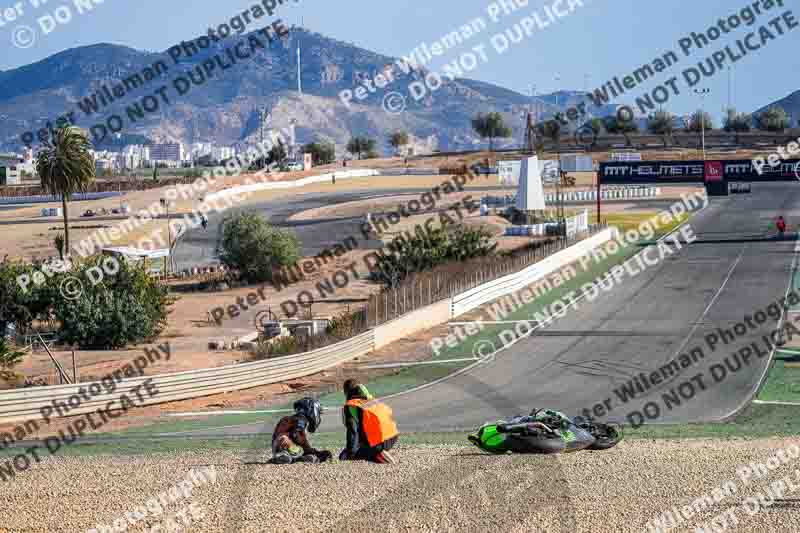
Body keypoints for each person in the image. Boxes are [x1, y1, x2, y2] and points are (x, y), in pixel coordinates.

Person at [340, 379, 399, 463]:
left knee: (347, 454)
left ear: (346, 392)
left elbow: (352, 431)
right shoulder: (372, 400)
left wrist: (350, 453)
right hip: (393, 437)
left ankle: (379, 454)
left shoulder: (352, 405)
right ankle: (375, 451)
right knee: (360, 447)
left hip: (381, 442)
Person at [270, 397, 332, 464]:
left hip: (279, 446)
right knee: (301, 450)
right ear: (311, 409)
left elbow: (299, 439)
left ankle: (290, 458)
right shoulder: (301, 419)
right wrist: (312, 451)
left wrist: (313, 452)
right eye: (318, 412)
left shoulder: (292, 419)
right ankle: (291, 457)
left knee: (303, 451)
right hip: (284, 444)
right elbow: (296, 435)